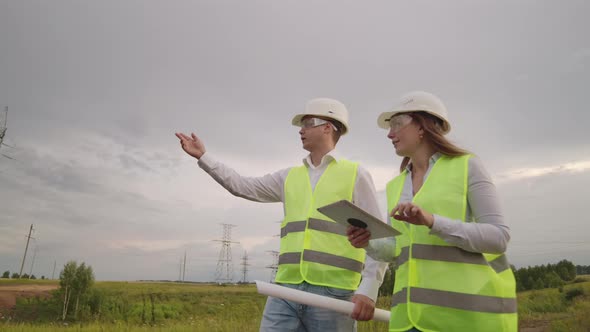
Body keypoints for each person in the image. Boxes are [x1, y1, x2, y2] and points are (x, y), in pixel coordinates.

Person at [175, 98, 387, 332]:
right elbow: (242, 186)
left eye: (307, 123)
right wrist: (204, 157)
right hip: (285, 288)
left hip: (334, 294)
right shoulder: (289, 176)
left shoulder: (356, 174)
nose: (301, 130)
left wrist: (368, 289)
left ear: (328, 127)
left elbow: (381, 238)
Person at [347, 91, 517, 332]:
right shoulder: (396, 186)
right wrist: (368, 242)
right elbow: (397, 249)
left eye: (397, 124)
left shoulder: (467, 166)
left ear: (422, 126)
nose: (389, 133)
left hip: (465, 319)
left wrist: (432, 222)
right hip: (410, 319)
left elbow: (498, 238)